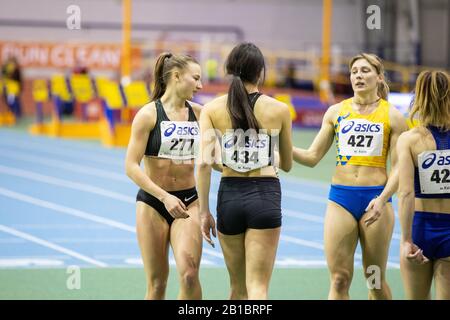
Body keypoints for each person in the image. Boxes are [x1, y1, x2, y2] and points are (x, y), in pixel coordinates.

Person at [293, 53, 408, 299]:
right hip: (341, 199)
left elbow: (400, 168)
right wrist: (281, 149)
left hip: (376, 198)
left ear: (379, 77)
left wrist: (383, 198)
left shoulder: (393, 116)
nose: (358, 75)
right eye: (354, 71)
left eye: (365, 71)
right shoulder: (336, 112)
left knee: (375, 280)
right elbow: (312, 156)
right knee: (339, 279)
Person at [197, 42, 293, 300]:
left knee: (237, 289)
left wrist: (203, 211)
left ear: (229, 69)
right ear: (260, 72)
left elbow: (204, 163)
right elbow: (286, 164)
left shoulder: (211, 109)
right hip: (265, 195)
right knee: (258, 288)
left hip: (229, 196)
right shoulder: (279, 109)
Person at [125, 52, 204, 299]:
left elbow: (217, 160)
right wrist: (164, 197)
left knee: (190, 275)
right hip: (153, 204)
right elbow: (131, 165)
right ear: (177, 76)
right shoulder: (148, 115)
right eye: (196, 78)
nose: (201, 85)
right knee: (157, 284)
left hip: (189, 202)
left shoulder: (202, 115)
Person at [397, 70, 450, 300]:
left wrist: (406, 239)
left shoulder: (410, 140)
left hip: (421, 228)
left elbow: (406, 192)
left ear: (418, 98)